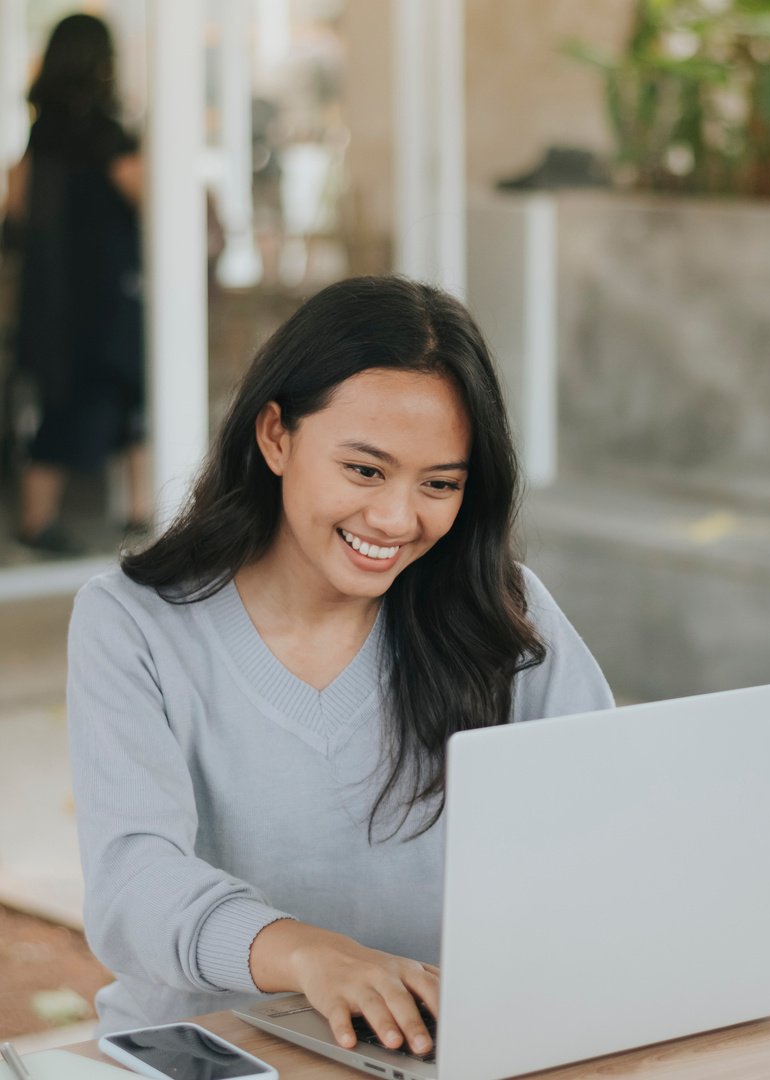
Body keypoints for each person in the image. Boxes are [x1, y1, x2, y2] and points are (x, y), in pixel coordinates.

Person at [67, 276, 613, 1051]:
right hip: (212, 1051)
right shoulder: (133, 623)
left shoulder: (502, 610)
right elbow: (132, 886)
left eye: (439, 484)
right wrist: (311, 955)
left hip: (431, 1048)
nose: (395, 518)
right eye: (364, 470)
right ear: (276, 437)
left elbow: (611, 824)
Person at [4, 13, 149, 556]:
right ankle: (134, 514)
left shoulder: (43, 132)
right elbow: (149, 201)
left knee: (68, 400)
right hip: (106, 294)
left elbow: (14, 207)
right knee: (122, 393)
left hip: (51, 296)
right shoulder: (107, 135)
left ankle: (48, 520)